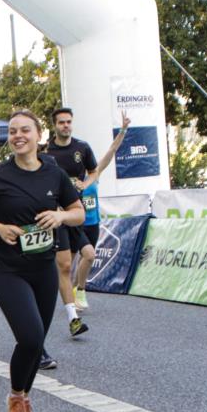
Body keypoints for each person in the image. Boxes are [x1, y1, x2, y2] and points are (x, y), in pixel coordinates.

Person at [0, 109, 84, 412]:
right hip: (9, 270)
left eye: (25, 130)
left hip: (44, 269)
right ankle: (16, 395)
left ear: (38, 135)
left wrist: (60, 217)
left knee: (37, 340)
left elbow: (78, 213)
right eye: (13, 131)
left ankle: (24, 396)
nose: (18, 136)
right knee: (31, 338)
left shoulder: (53, 172)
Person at [43, 106, 96, 357]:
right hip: (56, 217)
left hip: (76, 212)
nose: (66, 125)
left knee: (89, 254)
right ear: (54, 125)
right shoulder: (45, 152)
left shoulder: (82, 148)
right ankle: (73, 316)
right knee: (64, 266)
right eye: (61, 122)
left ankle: (80, 291)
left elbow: (96, 169)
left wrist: (85, 184)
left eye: (69, 122)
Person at [68, 112, 131, 311]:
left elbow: (112, 150)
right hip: (74, 224)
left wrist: (123, 130)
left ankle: (80, 290)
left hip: (92, 223)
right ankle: (70, 295)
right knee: (69, 263)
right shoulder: (69, 179)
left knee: (88, 256)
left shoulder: (93, 175)